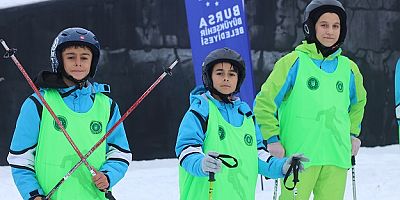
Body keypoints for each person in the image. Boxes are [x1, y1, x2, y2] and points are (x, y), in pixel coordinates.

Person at [254, 0, 367, 199]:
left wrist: (352, 133)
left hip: (336, 156)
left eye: (336, 26)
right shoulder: (293, 62)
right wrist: (272, 138)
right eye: (324, 25)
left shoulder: (349, 68)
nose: (330, 31)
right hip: (298, 158)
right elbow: (265, 102)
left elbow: (358, 103)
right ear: (310, 27)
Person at [7, 27, 132, 200]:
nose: (78, 63)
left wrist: (108, 175)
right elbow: (20, 159)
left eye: (84, 57)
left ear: (93, 62)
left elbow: (120, 152)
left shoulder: (107, 106)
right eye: (71, 57)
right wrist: (33, 195)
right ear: (59, 60)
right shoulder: (37, 104)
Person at [175, 47, 308, 200]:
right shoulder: (200, 110)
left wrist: (282, 166)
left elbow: (258, 155)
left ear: (238, 79)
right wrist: (201, 163)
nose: (226, 78)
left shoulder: (246, 115)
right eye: (219, 73)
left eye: (231, 74)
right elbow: (186, 149)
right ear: (208, 77)